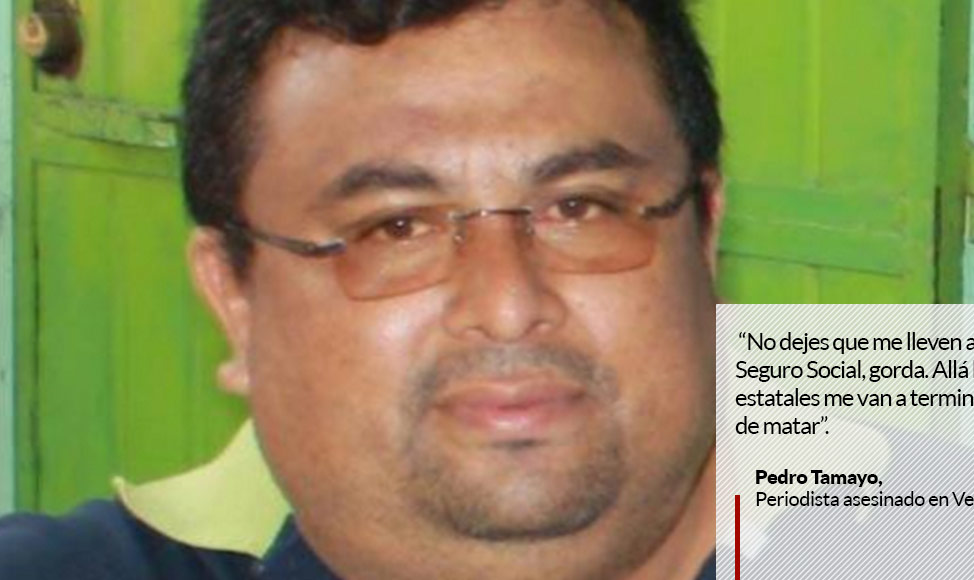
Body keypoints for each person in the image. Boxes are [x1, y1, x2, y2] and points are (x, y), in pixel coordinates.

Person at [0, 0, 722, 578]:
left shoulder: (797, 482)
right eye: (395, 228)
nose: (507, 304)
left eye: (580, 207)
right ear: (233, 300)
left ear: (705, 237)